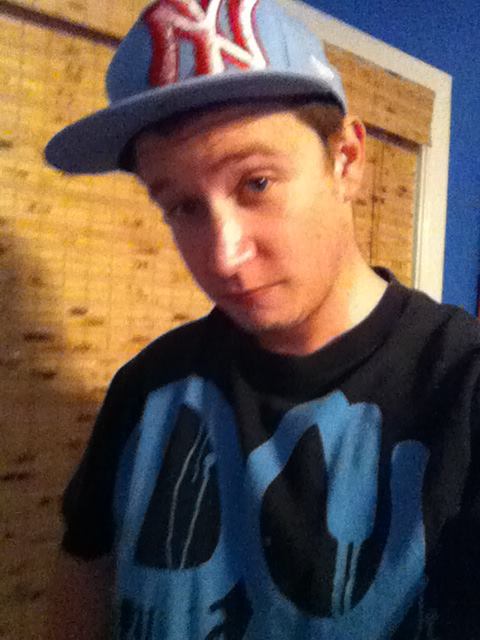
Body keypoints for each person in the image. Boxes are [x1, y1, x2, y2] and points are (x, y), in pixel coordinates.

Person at [44, 0, 480, 638]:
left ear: (346, 160)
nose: (224, 256)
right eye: (183, 206)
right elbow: (81, 589)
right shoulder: (147, 390)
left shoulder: (464, 388)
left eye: (256, 184)